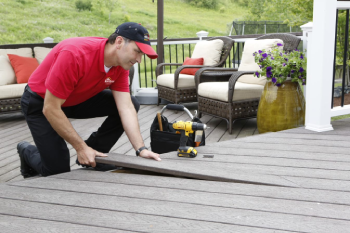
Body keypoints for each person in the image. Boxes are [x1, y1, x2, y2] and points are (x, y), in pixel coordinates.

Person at [18, 22, 161, 178]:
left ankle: (94, 152)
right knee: (57, 172)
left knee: (132, 103)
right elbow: (50, 108)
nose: (139, 60)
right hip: (41, 103)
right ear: (119, 42)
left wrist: (141, 149)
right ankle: (26, 151)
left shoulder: (121, 65)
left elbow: (125, 107)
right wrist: (80, 147)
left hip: (76, 99)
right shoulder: (74, 54)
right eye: (137, 52)